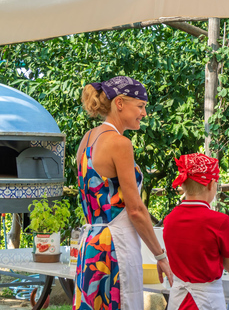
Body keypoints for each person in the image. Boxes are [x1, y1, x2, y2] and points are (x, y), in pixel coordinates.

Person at [75, 76, 173, 310]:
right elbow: (136, 210)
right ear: (119, 103)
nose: (144, 113)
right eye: (140, 105)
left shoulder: (87, 139)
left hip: (90, 242)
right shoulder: (120, 143)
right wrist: (160, 256)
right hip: (115, 244)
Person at [163, 153, 229, 310]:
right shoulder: (219, 221)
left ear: (183, 185)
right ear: (211, 184)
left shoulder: (169, 220)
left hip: (177, 300)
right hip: (207, 300)